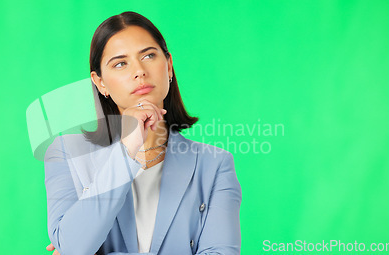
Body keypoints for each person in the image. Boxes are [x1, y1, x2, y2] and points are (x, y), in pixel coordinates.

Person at [44, 11, 241, 255]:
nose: (139, 71)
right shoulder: (65, 152)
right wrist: (126, 150)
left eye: (148, 55)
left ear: (168, 66)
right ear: (100, 82)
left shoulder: (214, 164)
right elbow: (74, 246)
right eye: (120, 63)